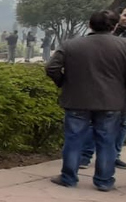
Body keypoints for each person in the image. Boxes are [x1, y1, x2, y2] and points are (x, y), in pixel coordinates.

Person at [45, 10, 126, 191]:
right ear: (114, 27)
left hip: (76, 100)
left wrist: (64, 82)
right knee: (107, 141)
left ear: (90, 24)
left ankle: (68, 177)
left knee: (73, 139)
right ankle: (104, 181)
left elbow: (51, 68)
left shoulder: (70, 45)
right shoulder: (123, 46)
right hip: (111, 102)